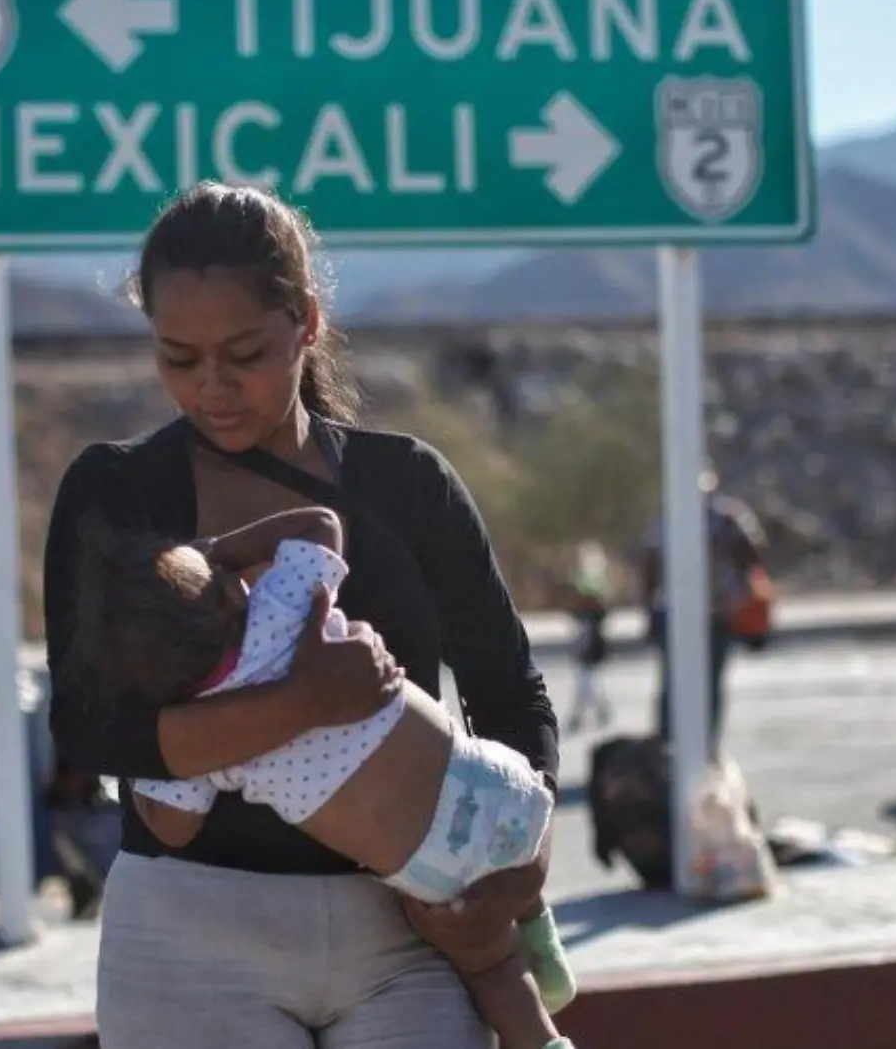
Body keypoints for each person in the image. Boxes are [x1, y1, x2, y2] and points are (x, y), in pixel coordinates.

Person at [44, 182, 563, 1049]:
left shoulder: (408, 485)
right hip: (186, 939)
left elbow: (511, 695)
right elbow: (91, 729)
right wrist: (305, 704)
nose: (212, 386)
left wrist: (519, 865)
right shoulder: (117, 494)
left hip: (405, 934)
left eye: (244, 351)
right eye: (178, 357)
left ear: (307, 324)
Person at [74, 506, 575, 1044]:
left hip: (431, 863)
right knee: (506, 869)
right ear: (227, 595)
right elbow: (321, 524)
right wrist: (220, 551)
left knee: (491, 968)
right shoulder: (283, 608)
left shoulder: (209, 741)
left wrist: (146, 752)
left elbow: (172, 828)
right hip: (497, 785)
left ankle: (542, 1035)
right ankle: (538, 928)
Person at [636, 471, 766, 758]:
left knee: (703, 680)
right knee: (679, 681)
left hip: (714, 612)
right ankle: (673, 743)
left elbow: (752, 554)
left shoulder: (725, 518)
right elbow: (651, 566)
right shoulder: (673, 519)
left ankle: (699, 743)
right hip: (682, 612)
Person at [563, 542, 613, 734]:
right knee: (589, 685)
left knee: (587, 686)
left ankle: (584, 715)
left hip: (591, 654)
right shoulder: (585, 616)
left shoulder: (594, 617)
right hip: (585, 653)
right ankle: (598, 712)